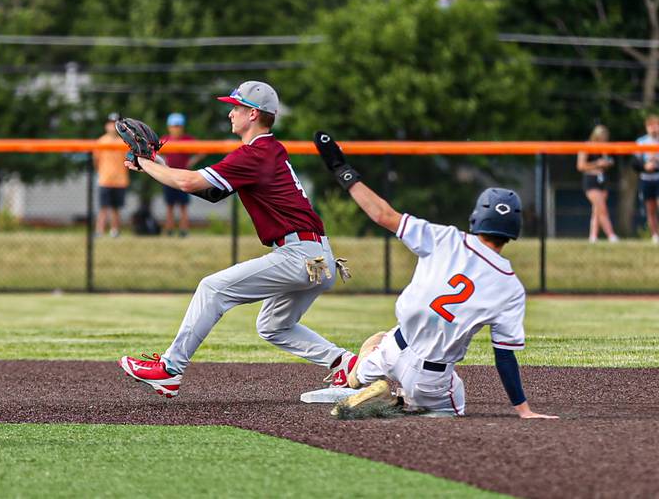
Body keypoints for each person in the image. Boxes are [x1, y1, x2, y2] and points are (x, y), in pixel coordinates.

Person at [116, 81, 356, 398]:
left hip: (300, 254)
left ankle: (169, 369)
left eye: (237, 107)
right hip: (319, 257)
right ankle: (346, 364)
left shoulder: (255, 154)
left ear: (253, 114)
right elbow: (211, 191)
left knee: (213, 288)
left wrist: (145, 162)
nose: (231, 113)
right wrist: (155, 165)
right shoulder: (266, 152)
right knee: (273, 326)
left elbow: (188, 182)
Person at [314, 131, 557, 419]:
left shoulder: (445, 238)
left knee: (378, 341)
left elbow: (383, 215)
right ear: (513, 230)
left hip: (393, 348)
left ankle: (358, 380)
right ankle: (405, 402)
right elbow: (504, 355)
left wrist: (341, 170)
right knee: (453, 407)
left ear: (477, 217)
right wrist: (523, 409)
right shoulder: (510, 287)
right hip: (430, 377)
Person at [160, 112, 204, 237]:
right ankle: (169, 230)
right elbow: (155, 153)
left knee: (183, 206)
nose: (176, 128)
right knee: (169, 206)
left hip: (184, 176)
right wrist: (163, 162)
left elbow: (202, 151)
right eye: (174, 126)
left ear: (182, 127)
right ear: (169, 127)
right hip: (169, 177)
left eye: (179, 126)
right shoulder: (164, 139)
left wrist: (192, 161)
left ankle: (184, 231)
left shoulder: (187, 140)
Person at [577, 125, 618, 243]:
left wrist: (607, 163)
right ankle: (611, 235)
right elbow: (580, 166)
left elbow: (610, 161)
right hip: (590, 180)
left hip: (602, 179)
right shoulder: (586, 146)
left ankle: (593, 237)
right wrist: (597, 163)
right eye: (602, 137)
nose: (604, 139)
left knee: (597, 211)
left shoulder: (604, 147)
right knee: (602, 208)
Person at [94, 112, 129, 238]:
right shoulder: (101, 141)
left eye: (115, 124)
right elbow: (96, 161)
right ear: (106, 126)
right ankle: (99, 231)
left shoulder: (125, 142)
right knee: (103, 208)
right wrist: (102, 173)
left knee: (116, 208)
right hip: (105, 179)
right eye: (110, 123)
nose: (112, 126)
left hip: (120, 180)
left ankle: (115, 231)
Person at [634, 114, 659, 244]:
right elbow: (635, 163)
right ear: (646, 127)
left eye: (656, 125)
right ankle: (655, 236)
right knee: (650, 208)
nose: (654, 128)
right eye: (651, 126)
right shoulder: (641, 141)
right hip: (646, 178)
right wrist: (645, 166)